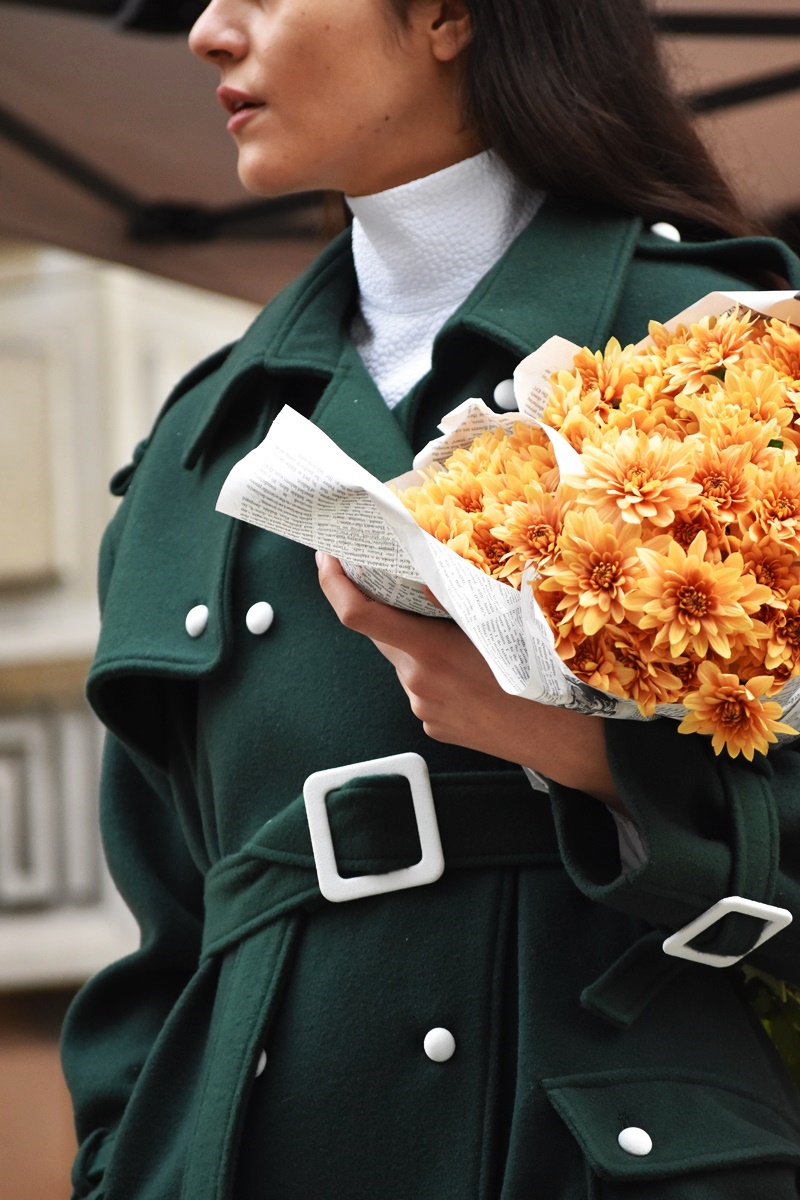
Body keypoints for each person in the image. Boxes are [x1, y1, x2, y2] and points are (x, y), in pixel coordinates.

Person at [61, 2, 800, 1198]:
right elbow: (166, 931)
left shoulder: (735, 350)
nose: (204, 30)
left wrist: (593, 761)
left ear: (453, 13)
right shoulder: (194, 446)